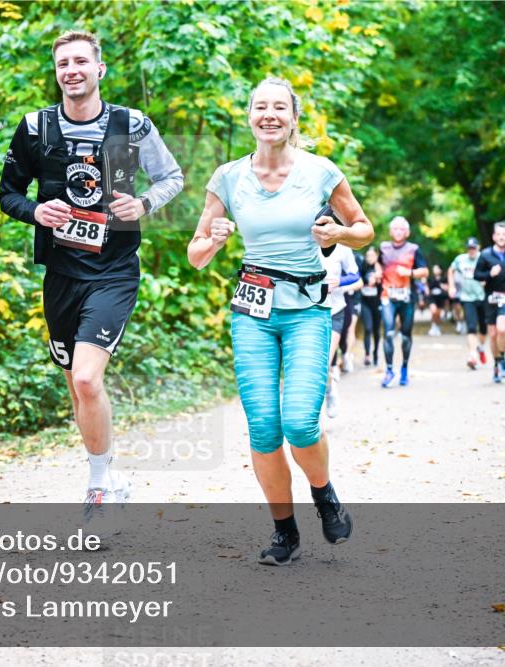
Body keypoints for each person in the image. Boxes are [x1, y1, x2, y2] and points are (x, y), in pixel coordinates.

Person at [187, 77, 373, 565]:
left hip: (309, 310)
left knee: (300, 423)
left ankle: (324, 494)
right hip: (252, 311)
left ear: (293, 118)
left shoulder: (321, 172)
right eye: (259, 107)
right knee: (265, 429)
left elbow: (363, 229)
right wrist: (215, 239)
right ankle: (284, 533)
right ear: (249, 116)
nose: (269, 115)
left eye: (279, 108)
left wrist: (337, 231)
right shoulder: (228, 177)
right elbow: (196, 254)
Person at [0, 31, 183, 517]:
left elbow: (172, 178)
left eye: (81, 61)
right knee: (75, 384)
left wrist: (142, 202)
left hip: (114, 269)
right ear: (56, 72)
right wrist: (37, 212)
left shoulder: (131, 125)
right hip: (61, 272)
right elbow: (8, 194)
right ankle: (110, 473)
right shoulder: (36, 128)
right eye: (63, 63)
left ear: (100, 70)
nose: (71, 70)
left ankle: (97, 488)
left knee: (85, 379)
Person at [379, 216, 429, 388]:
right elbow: (377, 265)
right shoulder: (383, 248)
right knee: (389, 333)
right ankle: (389, 370)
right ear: (390, 231)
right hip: (387, 296)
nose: (398, 232)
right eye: (395, 228)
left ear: (407, 232)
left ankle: (405, 368)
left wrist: (410, 273)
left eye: (402, 229)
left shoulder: (414, 249)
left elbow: (424, 271)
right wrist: (376, 274)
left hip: (407, 297)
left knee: (406, 336)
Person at [474, 223, 505, 383]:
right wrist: (489, 274)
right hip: (490, 298)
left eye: (504, 234)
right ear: (494, 237)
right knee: (493, 334)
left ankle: (502, 359)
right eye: (498, 234)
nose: (501, 237)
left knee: (502, 329)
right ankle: (496, 364)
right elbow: (477, 275)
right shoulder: (485, 255)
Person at [322, 242, 362, 417]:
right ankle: (330, 386)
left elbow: (355, 275)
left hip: (335, 310)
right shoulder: (302, 241)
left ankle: (328, 395)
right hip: (307, 313)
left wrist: (339, 281)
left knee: (323, 364)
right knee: (314, 366)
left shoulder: (342, 248)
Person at [448, 237, 488, 369]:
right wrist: (451, 286)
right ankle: (472, 355)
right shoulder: (460, 259)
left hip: (482, 297)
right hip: (467, 297)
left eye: (474, 248)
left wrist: (486, 281)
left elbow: (493, 272)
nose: (471, 251)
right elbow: (450, 270)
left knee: (483, 328)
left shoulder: (484, 258)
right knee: (471, 327)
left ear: (478, 247)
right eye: (469, 248)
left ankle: (480, 348)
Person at [360, 246, 382, 366]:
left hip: (377, 303)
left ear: (376, 256)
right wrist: (368, 280)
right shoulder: (363, 265)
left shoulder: (380, 268)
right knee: (368, 328)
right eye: (368, 256)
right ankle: (367, 355)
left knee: (376, 330)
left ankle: (375, 353)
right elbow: (358, 278)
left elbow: (383, 284)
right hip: (365, 302)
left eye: (372, 256)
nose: (370, 258)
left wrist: (378, 279)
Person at [427, 264, 448, 336]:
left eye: (436, 269)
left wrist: (442, 286)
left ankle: (437, 327)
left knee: (438, 314)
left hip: (441, 298)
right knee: (434, 311)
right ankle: (433, 326)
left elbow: (447, 288)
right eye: (434, 269)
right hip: (432, 298)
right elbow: (427, 289)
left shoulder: (444, 279)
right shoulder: (430, 278)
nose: (435, 270)